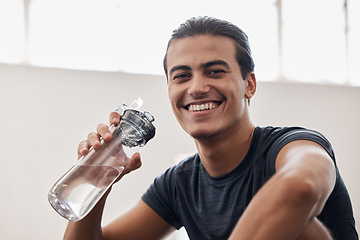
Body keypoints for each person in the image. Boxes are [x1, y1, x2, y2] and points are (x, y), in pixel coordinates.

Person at [64, 16, 358, 239]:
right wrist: (96, 186)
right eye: (181, 76)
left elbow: (300, 186)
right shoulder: (179, 184)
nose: (197, 88)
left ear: (249, 85)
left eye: (215, 71)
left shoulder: (294, 147)